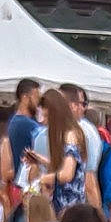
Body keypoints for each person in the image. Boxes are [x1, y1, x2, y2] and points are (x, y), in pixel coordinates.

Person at [33, 86, 94, 214]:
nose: (45, 122)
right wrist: (42, 160)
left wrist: (43, 179)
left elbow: (67, 174)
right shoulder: (74, 133)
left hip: (69, 209)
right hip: (70, 207)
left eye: (47, 117)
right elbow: (71, 166)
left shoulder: (70, 136)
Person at [0, 79, 42, 190]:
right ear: (25, 98)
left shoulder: (13, 121)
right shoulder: (28, 125)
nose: (38, 103)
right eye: (36, 97)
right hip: (29, 183)